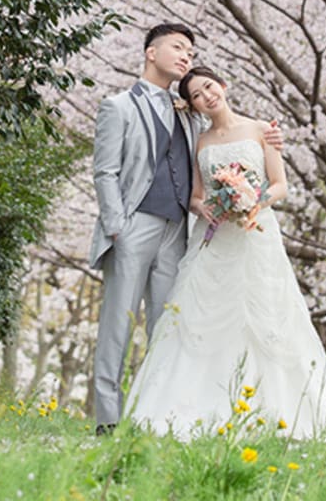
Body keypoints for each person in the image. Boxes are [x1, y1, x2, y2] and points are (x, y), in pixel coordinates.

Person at [124, 66, 326, 441]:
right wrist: (205, 208)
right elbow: (194, 195)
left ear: (223, 85)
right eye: (196, 95)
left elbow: (280, 185)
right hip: (215, 239)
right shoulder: (201, 142)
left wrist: (253, 201)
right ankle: (199, 407)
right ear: (193, 106)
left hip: (257, 236)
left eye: (209, 87)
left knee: (268, 317)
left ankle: (274, 411)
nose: (207, 96)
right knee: (199, 319)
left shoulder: (261, 129)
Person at [89, 24, 279, 435]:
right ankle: (107, 418)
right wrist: (117, 225)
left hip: (178, 230)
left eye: (191, 53)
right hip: (133, 224)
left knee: (168, 326)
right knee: (117, 323)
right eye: (178, 48)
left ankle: (150, 416)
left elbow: (223, 137)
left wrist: (267, 137)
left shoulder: (190, 113)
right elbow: (105, 171)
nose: (186, 57)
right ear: (151, 52)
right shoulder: (118, 105)